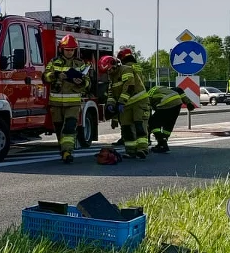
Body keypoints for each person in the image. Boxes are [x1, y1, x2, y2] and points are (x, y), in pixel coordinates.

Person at [42, 34, 92, 163]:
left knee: (69, 127)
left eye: (72, 50)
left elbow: (88, 82)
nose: (69, 52)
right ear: (61, 49)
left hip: (73, 104)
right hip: (56, 104)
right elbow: (45, 77)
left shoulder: (80, 64)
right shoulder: (54, 62)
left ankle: (68, 152)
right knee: (59, 130)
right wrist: (57, 75)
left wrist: (80, 82)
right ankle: (63, 150)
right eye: (67, 50)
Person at [101, 48, 150, 158]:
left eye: (110, 69)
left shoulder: (126, 69)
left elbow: (129, 86)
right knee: (126, 127)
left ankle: (142, 149)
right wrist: (110, 105)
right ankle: (130, 151)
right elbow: (111, 93)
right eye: (107, 71)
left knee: (139, 126)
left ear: (114, 64)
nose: (109, 72)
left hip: (139, 102)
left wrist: (121, 102)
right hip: (126, 105)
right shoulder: (112, 77)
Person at [146, 84, 196, 153]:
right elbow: (179, 90)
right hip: (177, 103)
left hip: (166, 103)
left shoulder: (148, 95)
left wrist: (148, 123)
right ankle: (163, 143)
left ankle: (162, 144)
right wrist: (188, 103)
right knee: (168, 124)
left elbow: (148, 111)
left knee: (153, 123)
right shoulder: (163, 87)